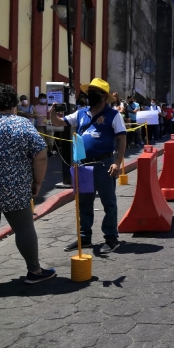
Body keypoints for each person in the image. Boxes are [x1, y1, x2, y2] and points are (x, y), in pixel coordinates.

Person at [0, 84, 56, 294]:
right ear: (11, 104)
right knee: (24, 228)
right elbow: (41, 155)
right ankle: (34, 271)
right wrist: (37, 182)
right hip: (15, 188)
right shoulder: (21, 124)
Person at [50, 78, 126, 254]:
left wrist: (117, 162)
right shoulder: (81, 113)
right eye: (88, 92)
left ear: (102, 97)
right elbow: (59, 123)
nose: (89, 96)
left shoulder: (114, 115)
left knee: (109, 202)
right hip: (83, 165)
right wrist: (53, 113)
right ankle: (85, 238)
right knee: (84, 203)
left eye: (94, 93)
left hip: (104, 164)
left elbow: (122, 138)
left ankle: (111, 238)